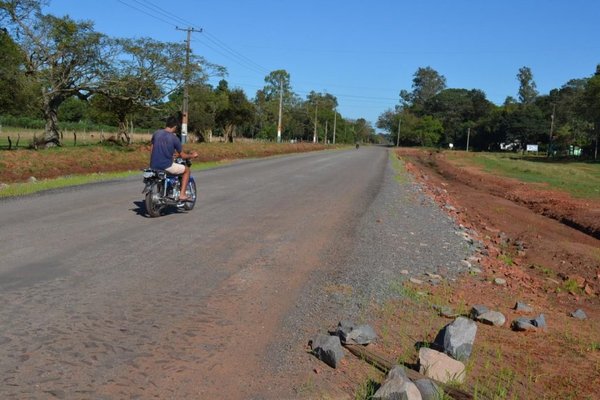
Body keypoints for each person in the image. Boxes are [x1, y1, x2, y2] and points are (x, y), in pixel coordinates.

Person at [150, 116, 198, 201]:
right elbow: (183, 155)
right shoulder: (174, 138)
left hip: (153, 164)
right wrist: (192, 155)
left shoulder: (156, 133)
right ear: (175, 126)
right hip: (166, 165)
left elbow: (152, 148)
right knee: (187, 170)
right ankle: (182, 195)